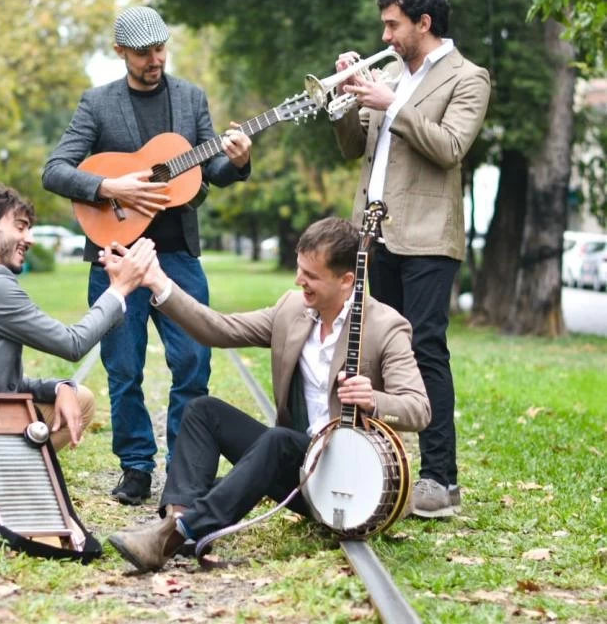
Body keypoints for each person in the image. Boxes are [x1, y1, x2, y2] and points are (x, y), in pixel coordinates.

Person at [107, 218, 431, 572]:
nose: (299, 280)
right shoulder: (292, 309)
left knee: (277, 440)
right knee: (203, 410)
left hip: (353, 485)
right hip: (297, 471)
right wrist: (158, 282)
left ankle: (178, 534)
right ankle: (177, 525)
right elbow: (218, 329)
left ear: (347, 280)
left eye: (311, 275)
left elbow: (419, 409)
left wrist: (375, 400)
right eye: (299, 269)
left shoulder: (385, 326)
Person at [42, 6, 253, 504]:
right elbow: (54, 170)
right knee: (123, 368)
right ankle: (135, 467)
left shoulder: (190, 98)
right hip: (116, 256)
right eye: (143, 53)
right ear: (120, 51)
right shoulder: (97, 104)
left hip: (176, 256)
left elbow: (211, 169)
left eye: (160, 50)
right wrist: (108, 186)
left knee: (193, 362)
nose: (154, 60)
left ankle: (185, 466)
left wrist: (238, 162)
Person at [0, 184, 157, 545]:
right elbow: (72, 343)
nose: (30, 239)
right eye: (21, 226)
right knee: (52, 536)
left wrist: (60, 387)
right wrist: (119, 289)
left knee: (79, 399)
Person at [330, 0, 491, 518]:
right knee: (375, 352)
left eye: (392, 25)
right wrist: (345, 99)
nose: (385, 36)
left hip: (426, 237)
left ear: (424, 23)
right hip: (373, 233)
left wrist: (393, 104)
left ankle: (440, 478)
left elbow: (449, 147)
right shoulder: (392, 76)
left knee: (425, 350)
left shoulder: (468, 77)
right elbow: (355, 147)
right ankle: (380, 465)